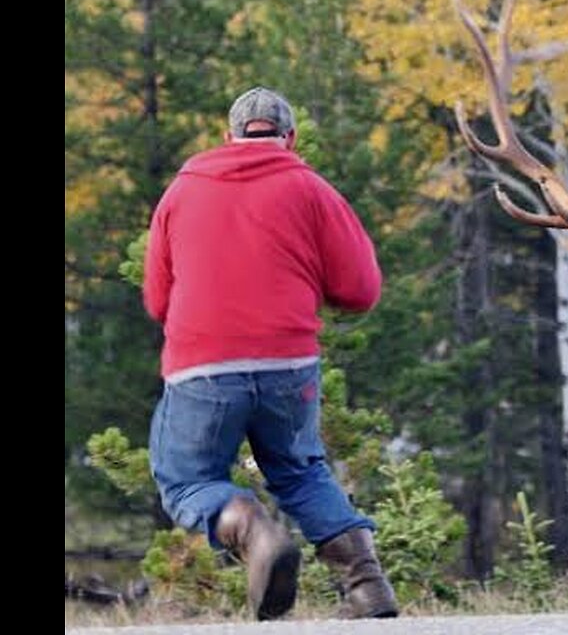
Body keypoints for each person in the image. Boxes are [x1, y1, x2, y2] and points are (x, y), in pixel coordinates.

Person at [142, 86, 398, 620]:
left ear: (228, 135)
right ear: (290, 137)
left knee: (188, 479)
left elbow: (157, 299)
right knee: (302, 470)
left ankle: (252, 532)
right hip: (289, 362)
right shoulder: (311, 188)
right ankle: (367, 587)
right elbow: (361, 290)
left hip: (203, 365)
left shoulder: (182, 190)